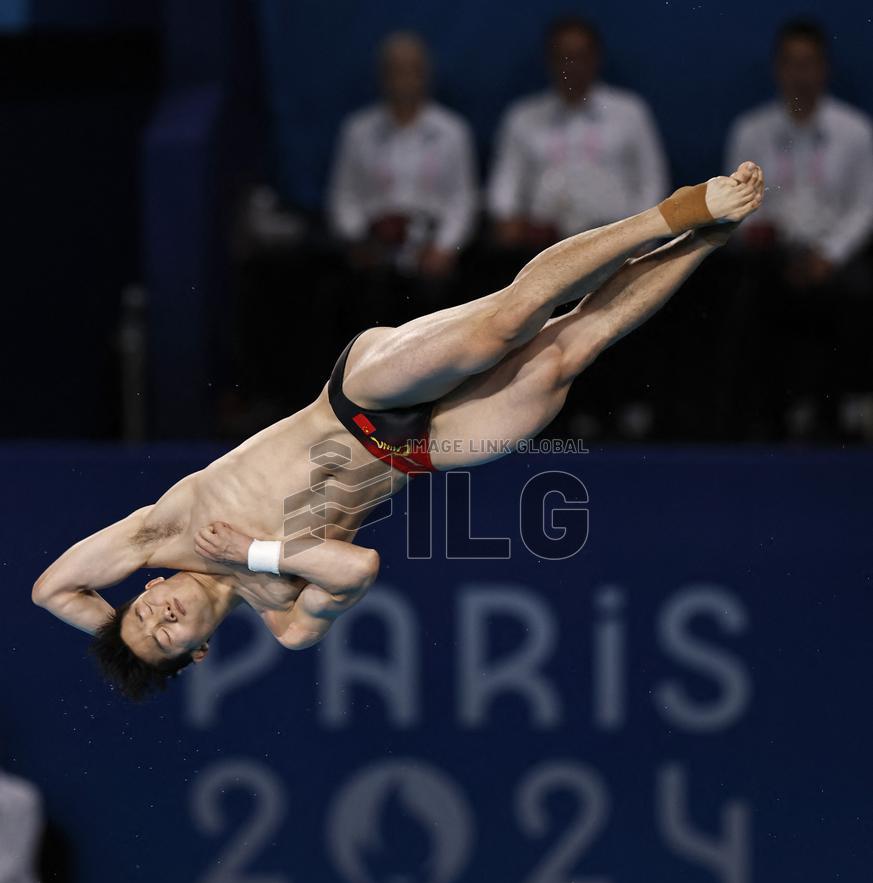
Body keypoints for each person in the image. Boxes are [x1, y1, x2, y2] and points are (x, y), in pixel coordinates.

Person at [33, 165, 764, 701]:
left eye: (141, 612)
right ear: (196, 655)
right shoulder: (283, 620)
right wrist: (256, 553)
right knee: (570, 351)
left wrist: (114, 633)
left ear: (145, 587)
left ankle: (672, 212)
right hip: (419, 452)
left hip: (354, 400)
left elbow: (51, 590)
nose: (158, 616)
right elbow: (360, 570)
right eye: (163, 639)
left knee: (508, 322)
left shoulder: (159, 535)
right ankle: (711, 236)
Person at [724, 19, 873, 438]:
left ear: (824, 68)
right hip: (772, 257)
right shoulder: (751, 131)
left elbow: (865, 206)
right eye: (791, 63)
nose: (800, 74)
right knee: (749, 294)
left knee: (858, 296)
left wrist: (829, 256)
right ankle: (763, 417)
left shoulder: (855, 132)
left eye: (809, 63)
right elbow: (731, 204)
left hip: (837, 258)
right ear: (778, 68)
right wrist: (764, 238)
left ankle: (841, 413)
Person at [327, 31, 478, 326]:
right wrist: (358, 237)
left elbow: (463, 199)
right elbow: (344, 196)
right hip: (375, 248)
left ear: (426, 74)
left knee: (437, 308)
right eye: (395, 70)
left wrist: (445, 247)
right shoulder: (358, 131)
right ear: (382, 76)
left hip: (429, 248)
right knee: (364, 305)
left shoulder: (451, 131)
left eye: (412, 69)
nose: (404, 78)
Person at [487, 15, 669, 250]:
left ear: (596, 58)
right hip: (543, 246)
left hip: (615, 242)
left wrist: (642, 235)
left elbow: (652, 181)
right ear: (549, 61)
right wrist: (506, 218)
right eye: (563, 58)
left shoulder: (629, 112)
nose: (572, 66)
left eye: (580, 57)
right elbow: (506, 181)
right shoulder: (523, 117)